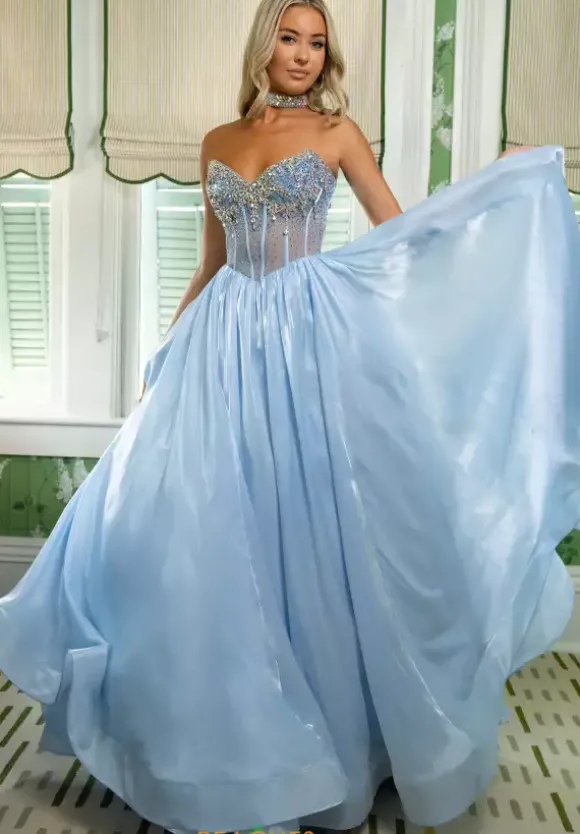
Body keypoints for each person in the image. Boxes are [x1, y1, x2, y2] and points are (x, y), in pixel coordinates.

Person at [0, 1, 579, 832]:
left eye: (317, 43)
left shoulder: (338, 134)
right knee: (201, 527)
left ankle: (336, 744)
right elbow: (211, 260)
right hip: (219, 341)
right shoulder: (216, 142)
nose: (304, 55)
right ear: (263, 44)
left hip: (307, 338)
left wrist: (497, 185)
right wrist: (168, 349)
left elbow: (403, 235)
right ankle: (216, 741)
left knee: (310, 525)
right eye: (290, 37)